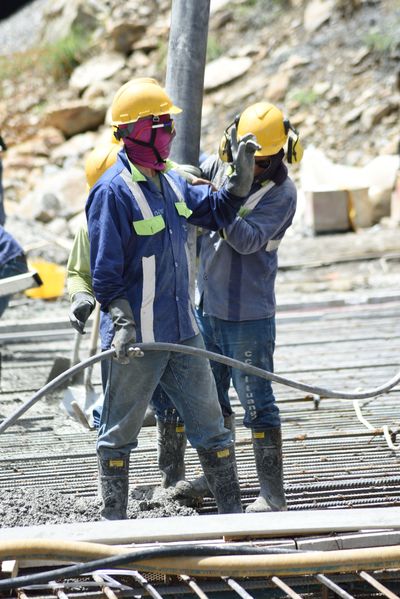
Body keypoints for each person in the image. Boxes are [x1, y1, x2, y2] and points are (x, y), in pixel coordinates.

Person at [84, 77, 259, 519]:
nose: (171, 133)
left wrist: (239, 182)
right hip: (137, 341)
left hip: (183, 333)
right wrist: (121, 324)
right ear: (138, 131)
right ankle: (113, 529)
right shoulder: (112, 193)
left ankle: (233, 521)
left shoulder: (173, 183)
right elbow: (104, 275)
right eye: (162, 125)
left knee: (212, 429)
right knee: (118, 435)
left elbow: (216, 211)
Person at [176, 101, 303, 513]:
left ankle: (273, 495)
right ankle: (215, 478)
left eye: (263, 159)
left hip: (248, 316)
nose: (255, 165)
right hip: (207, 308)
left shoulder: (282, 193)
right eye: (249, 156)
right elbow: (187, 169)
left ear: (282, 154)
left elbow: (246, 239)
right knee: (210, 400)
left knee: (257, 403)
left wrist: (223, 200)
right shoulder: (220, 167)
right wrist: (200, 180)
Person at [67, 138, 187, 486]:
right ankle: (112, 500)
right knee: (117, 422)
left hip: (167, 324)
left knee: (171, 406)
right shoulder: (93, 220)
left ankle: (173, 481)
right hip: (124, 337)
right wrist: (81, 299)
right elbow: (78, 274)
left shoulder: (159, 200)